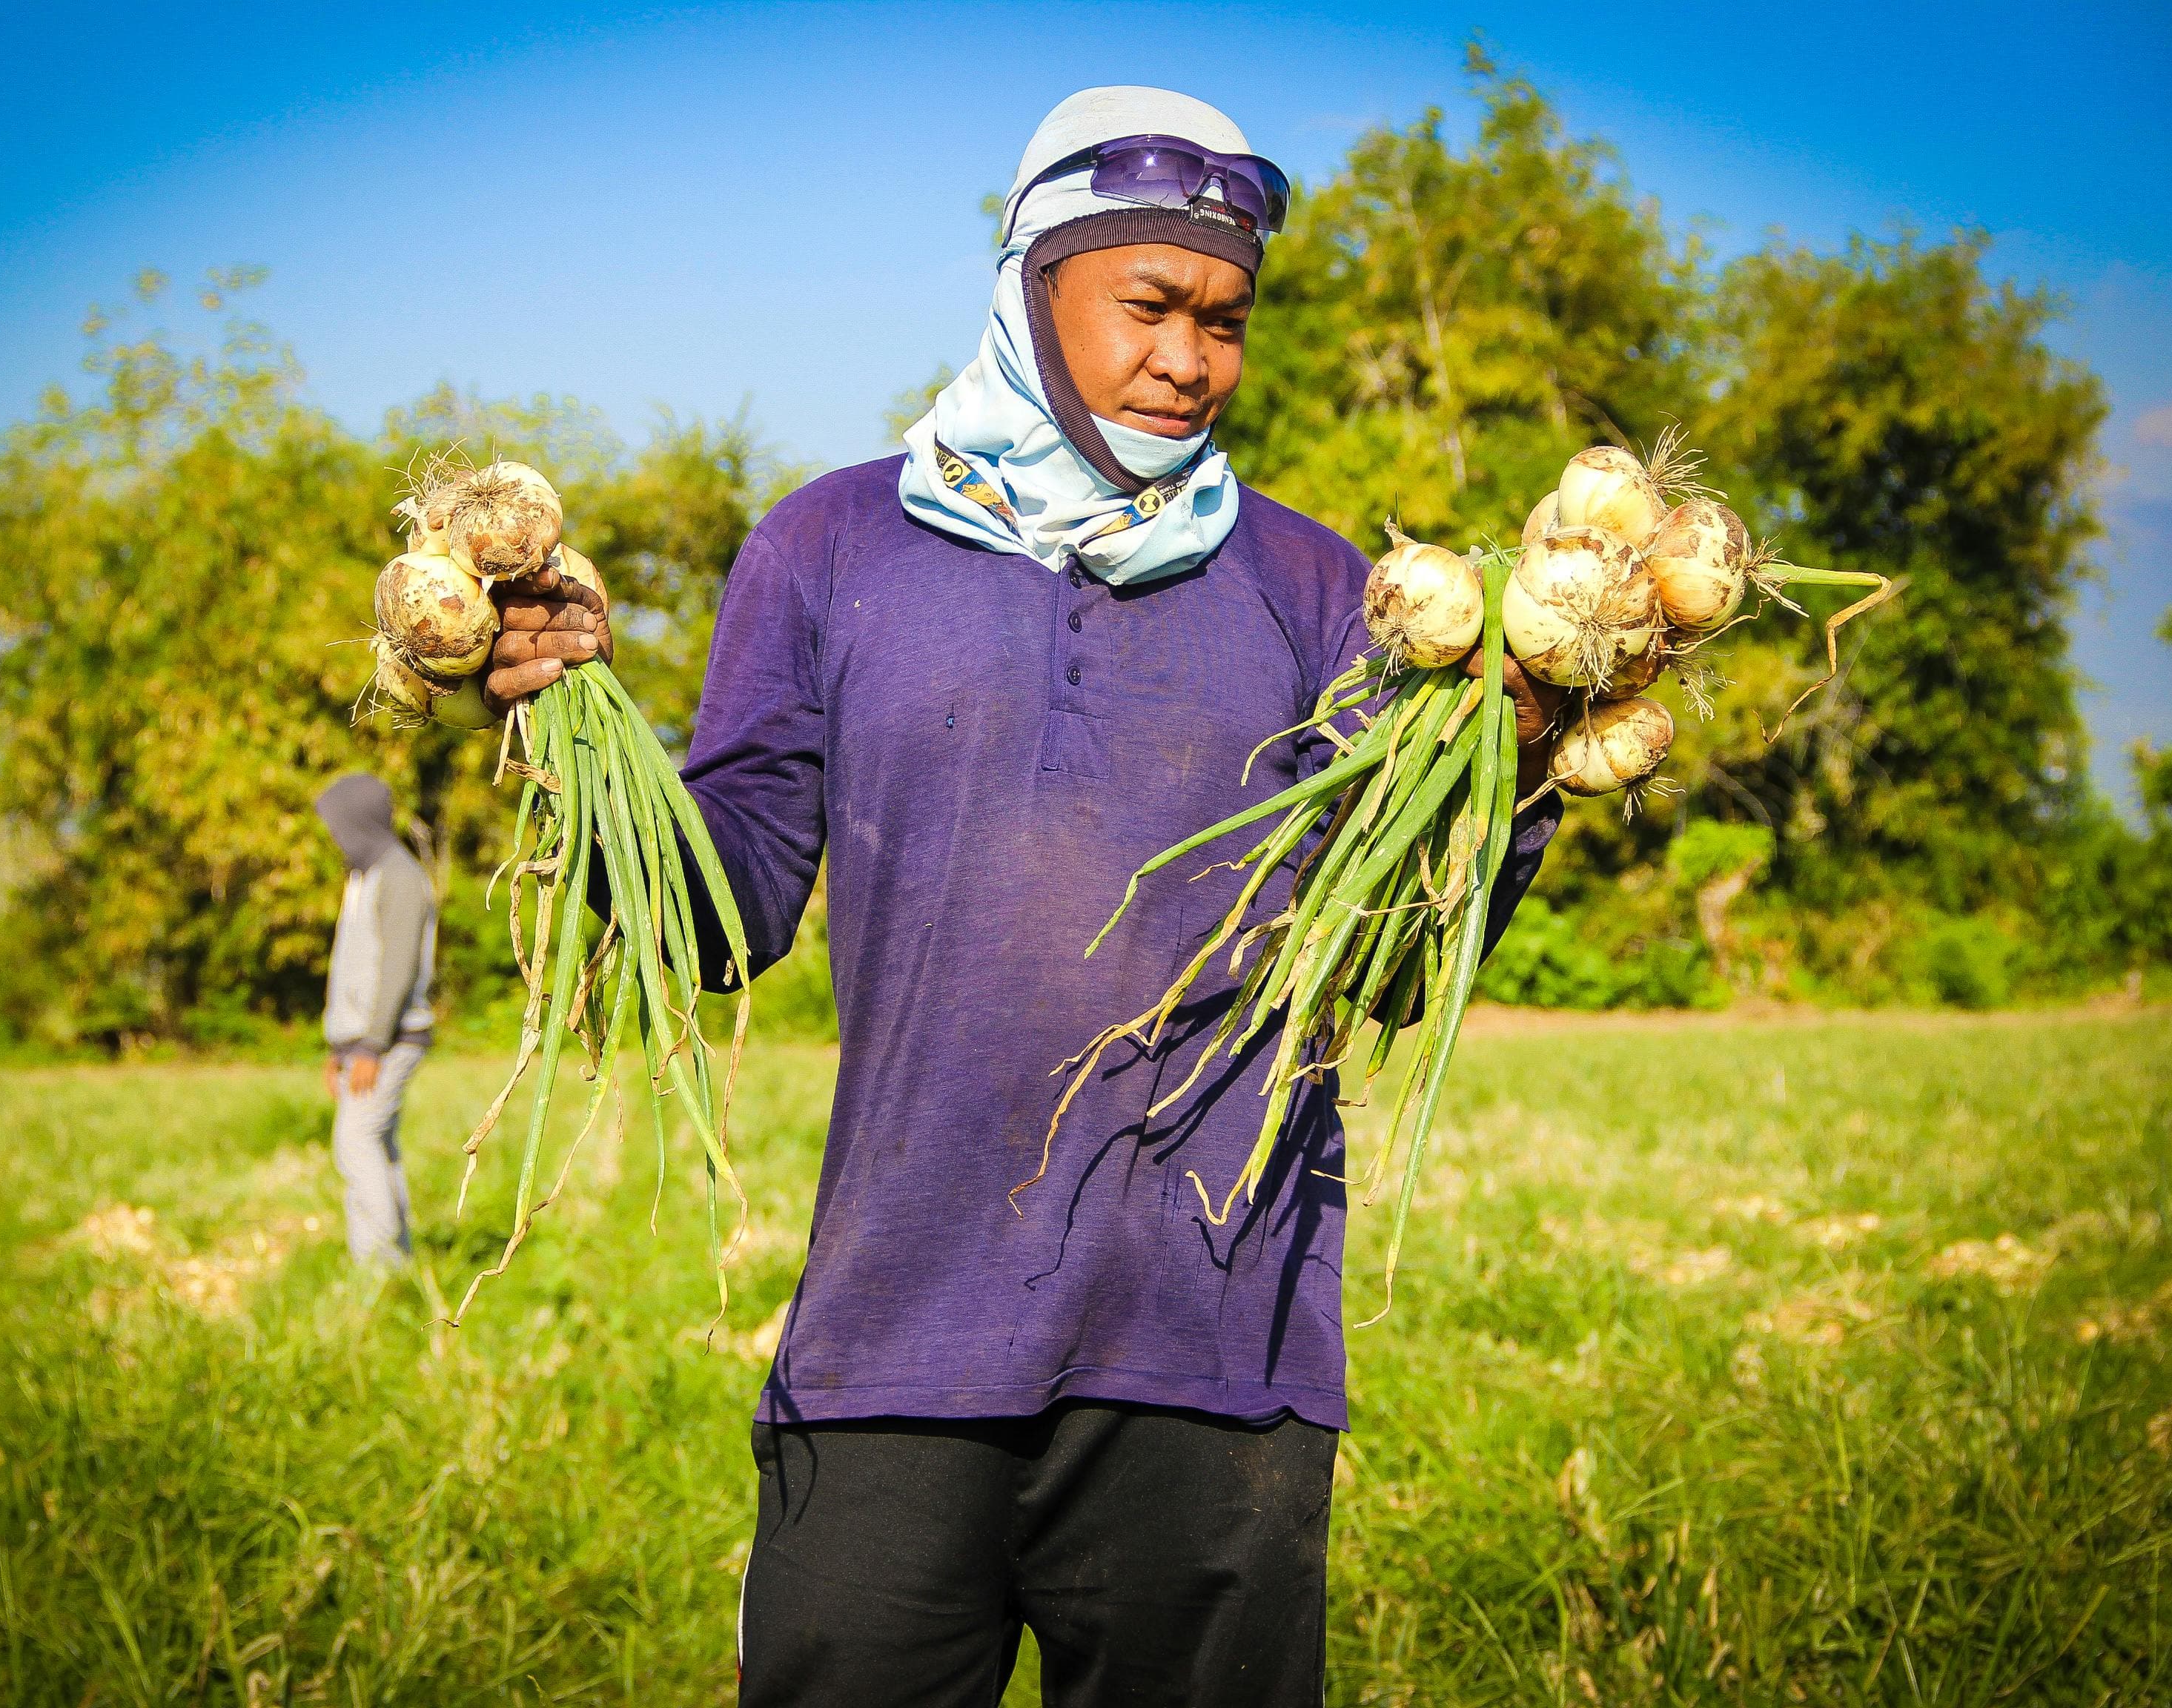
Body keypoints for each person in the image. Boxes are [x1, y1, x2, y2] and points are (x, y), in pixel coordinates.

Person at [482, 87, 1566, 1707]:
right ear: (1035, 283)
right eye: (1150, 305)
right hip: (902, 1322)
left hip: (1215, 1342)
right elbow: (730, 908)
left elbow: (1392, 959)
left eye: (1225, 323)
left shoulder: (1321, 587)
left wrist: (1516, 767)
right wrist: (577, 742)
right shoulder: (830, 546)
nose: (1188, 360)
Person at [316, 772, 438, 1271]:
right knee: (377, 1147)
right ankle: (394, 1264)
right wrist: (339, 1048)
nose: (333, 836)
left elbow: (397, 969)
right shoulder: (362, 878)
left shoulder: (400, 876)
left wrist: (370, 1046)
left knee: (356, 1143)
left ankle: (379, 1267)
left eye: (337, 826)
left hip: (390, 1040)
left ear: (357, 821)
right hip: (365, 1043)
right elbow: (353, 970)